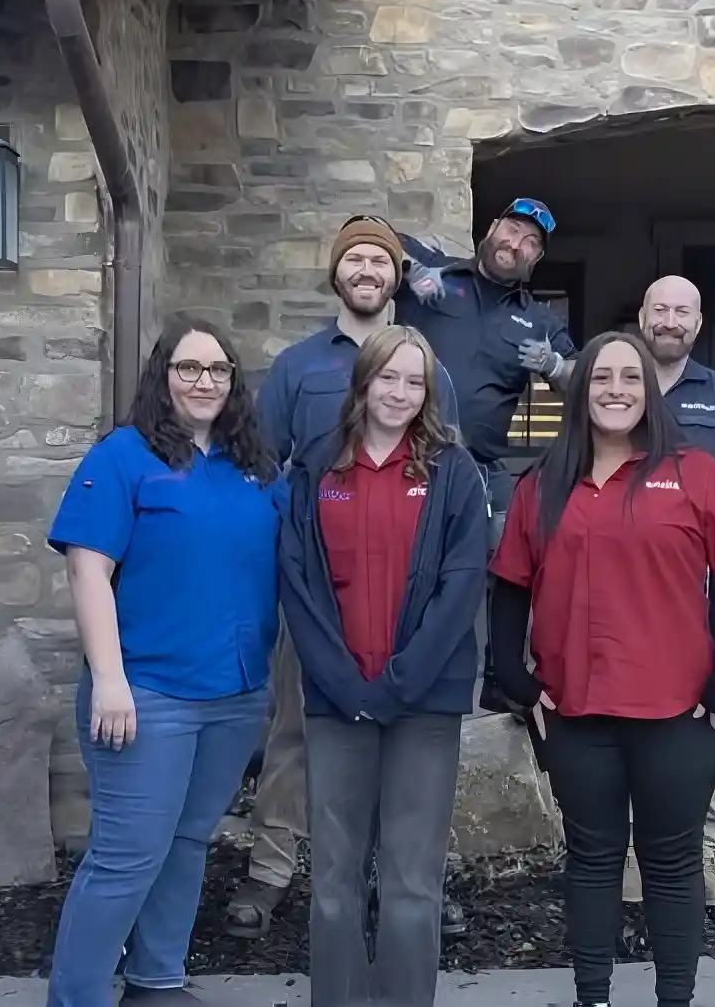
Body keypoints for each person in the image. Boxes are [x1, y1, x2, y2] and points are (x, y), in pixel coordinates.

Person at [488, 331, 715, 1007]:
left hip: (680, 711)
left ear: (649, 391)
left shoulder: (695, 473)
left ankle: (675, 998)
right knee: (592, 862)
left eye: (630, 378)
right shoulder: (545, 482)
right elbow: (509, 585)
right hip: (578, 711)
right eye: (601, 377)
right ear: (581, 390)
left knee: (673, 865)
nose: (615, 389)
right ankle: (594, 997)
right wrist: (513, 676)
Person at [226, 216, 460, 939]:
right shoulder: (299, 367)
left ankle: (405, 883)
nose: (367, 271)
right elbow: (263, 471)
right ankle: (268, 872)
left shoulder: (429, 365)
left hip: (406, 600)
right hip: (320, 601)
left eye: (379, 261)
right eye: (354, 259)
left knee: (408, 740)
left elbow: (445, 469)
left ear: (396, 278)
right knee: (296, 731)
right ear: (337, 273)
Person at [45, 317, 284, 1006]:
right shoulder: (122, 458)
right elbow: (88, 574)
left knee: (187, 841)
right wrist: (111, 681)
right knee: (126, 857)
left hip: (235, 694)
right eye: (189, 368)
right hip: (146, 692)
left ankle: (156, 981)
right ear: (163, 377)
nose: (204, 381)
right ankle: (77, 997)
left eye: (218, 370)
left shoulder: (252, 466)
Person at [279, 325, 486, 1007]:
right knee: (335, 886)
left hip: (422, 706)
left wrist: (398, 685)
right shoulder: (316, 466)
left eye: (413, 381)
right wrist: (342, 683)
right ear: (362, 382)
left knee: (410, 886)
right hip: (337, 705)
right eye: (386, 378)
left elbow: (462, 586)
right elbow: (299, 584)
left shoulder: (452, 471)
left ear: (428, 392)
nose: (398, 393)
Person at [396, 197, 577, 714]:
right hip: (406, 456)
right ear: (492, 228)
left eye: (530, 243)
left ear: (535, 259)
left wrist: (554, 365)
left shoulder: (537, 319)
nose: (515, 244)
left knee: (511, 556)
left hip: (478, 464)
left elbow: (585, 378)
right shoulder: (437, 276)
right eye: (512, 230)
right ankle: (398, 667)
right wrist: (407, 269)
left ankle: (499, 678)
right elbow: (369, 235)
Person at [624, 274, 715, 913]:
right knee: (621, 726)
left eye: (683, 310)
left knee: (701, 733)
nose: (670, 320)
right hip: (622, 596)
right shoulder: (616, 386)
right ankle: (629, 861)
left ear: (698, 324)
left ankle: (697, 856)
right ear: (642, 316)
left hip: (697, 603)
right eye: (660, 309)